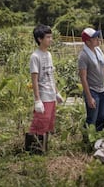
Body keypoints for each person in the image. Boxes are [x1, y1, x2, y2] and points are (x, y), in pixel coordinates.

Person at [25, 25, 63, 154]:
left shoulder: (49, 54)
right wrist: (37, 100)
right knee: (39, 123)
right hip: (43, 96)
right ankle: (33, 152)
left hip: (51, 95)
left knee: (48, 124)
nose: (51, 39)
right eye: (48, 37)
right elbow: (34, 79)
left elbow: (50, 75)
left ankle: (43, 150)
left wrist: (56, 92)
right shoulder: (35, 56)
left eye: (51, 36)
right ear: (40, 39)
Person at [78, 27, 104, 132]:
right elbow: (83, 78)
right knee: (92, 119)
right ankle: (88, 142)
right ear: (88, 41)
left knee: (101, 117)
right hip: (92, 91)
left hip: (102, 90)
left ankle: (99, 139)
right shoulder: (84, 56)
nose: (98, 39)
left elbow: (103, 69)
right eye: (95, 38)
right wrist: (89, 97)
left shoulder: (98, 51)